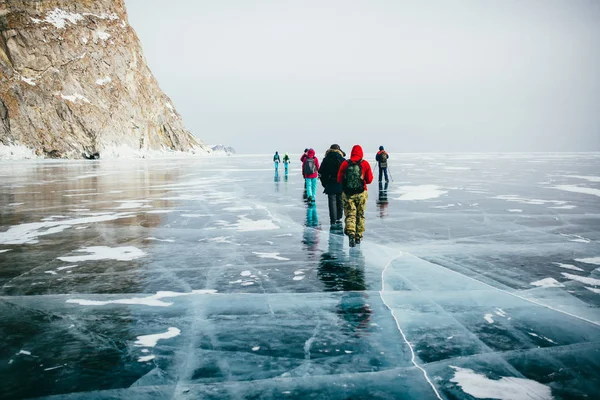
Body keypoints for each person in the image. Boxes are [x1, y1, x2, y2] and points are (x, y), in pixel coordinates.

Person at [337, 144, 373, 247]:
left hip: (348, 194)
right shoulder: (364, 164)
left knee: (350, 214)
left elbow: (339, 179)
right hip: (361, 193)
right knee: (360, 214)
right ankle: (358, 236)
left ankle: (351, 233)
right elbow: (369, 180)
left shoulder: (345, 163)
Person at [318, 144, 345, 225]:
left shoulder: (326, 159)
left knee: (331, 201)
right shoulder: (342, 159)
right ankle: (339, 217)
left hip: (330, 182)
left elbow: (321, 172)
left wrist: (325, 183)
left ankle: (333, 219)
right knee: (340, 200)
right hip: (340, 183)